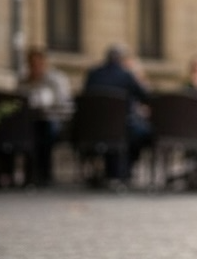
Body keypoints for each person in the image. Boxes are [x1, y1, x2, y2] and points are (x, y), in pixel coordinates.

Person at [83, 44, 151, 185]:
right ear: (122, 60)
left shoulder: (93, 74)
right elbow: (145, 96)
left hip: (92, 128)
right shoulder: (126, 75)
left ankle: (113, 171)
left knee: (122, 134)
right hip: (121, 128)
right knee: (143, 133)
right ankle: (124, 171)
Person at [17, 47, 72, 187]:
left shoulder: (55, 80)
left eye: (39, 63)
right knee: (29, 132)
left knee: (45, 131)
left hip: (53, 119)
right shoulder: (24, 81)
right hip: (31, 121)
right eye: (32, 64)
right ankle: (32, 174)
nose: (36, 67)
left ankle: (44, 173)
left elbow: (63, 103)